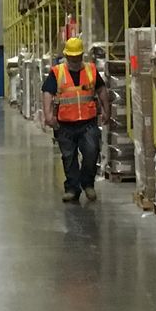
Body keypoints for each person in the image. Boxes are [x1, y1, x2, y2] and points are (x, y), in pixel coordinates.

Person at [41, 36, 111, 203]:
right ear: (66, 56)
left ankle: (88, 184)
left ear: (81, 55)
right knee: (69, 157)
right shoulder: (57, 72)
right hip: (64, 124)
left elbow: (101, 90)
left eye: (77, 57)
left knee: (91, 152)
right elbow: (47, 92)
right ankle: (72, 188)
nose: (74, 60)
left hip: (88, 122)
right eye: (72, 57)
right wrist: (48, 115)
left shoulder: (91, 70)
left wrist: (106, 110)